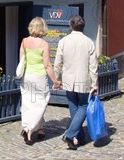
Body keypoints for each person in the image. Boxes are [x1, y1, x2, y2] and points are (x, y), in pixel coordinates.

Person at [53, 15, 98, 150]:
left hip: (68, 79)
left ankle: (81, 137)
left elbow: (58, 62)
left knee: (73, 107)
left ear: (70, 26)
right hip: (83, 79)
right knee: (83, 106)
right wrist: (95, 83)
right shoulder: (88, 42)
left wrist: (56, 79)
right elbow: (93, 66)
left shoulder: (64, 41)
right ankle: (70, 134)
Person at [18, 17, 60, 145]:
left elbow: (22, 60)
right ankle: (29, 129)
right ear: (42, 28)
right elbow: (47, 65)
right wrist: (55, 81)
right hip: (39, 77)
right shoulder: (43, 44)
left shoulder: (24, 41)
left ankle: (39, 128)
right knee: (41, 102)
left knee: (28, 103)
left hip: (27, 76)